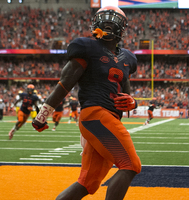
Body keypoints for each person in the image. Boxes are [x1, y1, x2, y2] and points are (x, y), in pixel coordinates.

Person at [32, 6, 141, 200]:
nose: (107, 22)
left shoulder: (128, 58)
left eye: (112, 19)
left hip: (108, 120)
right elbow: (64, 85)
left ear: (122, 28)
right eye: (104, 18)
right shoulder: (87, 48)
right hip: (96, 116)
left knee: (87, 183)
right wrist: (42, 116)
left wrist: (133, 102)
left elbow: (127, 95)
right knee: (131, 165)